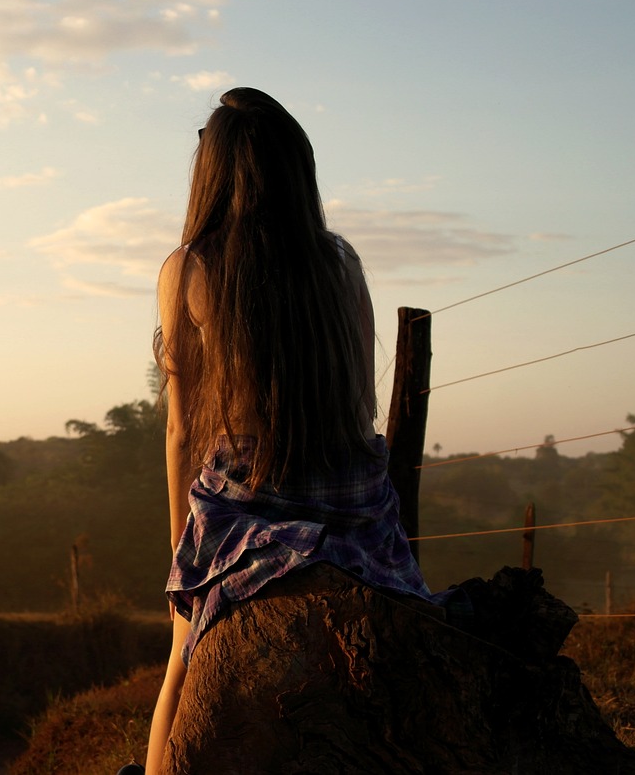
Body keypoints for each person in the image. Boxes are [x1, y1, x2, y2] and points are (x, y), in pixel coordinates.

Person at [135, 88, 434, 773]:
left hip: (251, 498)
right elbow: (361, 403)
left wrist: (181, 566)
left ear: (211, 171)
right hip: (354, 499)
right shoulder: (342, 263)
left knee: (180, 674)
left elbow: (182, 430)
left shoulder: (191, 267)